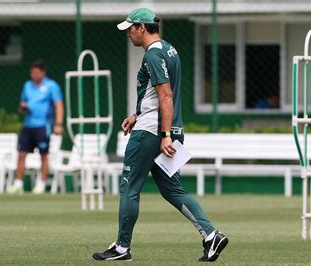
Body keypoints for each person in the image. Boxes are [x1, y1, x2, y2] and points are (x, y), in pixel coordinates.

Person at [92, 8, 228, 262]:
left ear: (141, 28)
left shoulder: (153, 54)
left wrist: (163, 134)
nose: (129, 34)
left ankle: (122, 247)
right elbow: (159, 96)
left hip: (152, 133)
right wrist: (138, 115)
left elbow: (165, 95)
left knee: (129, 188)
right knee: (172, 189)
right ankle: (211, 235)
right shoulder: (170, 50)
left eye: (130, 29)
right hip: (170, 129)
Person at [9, 60, 63, 194]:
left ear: (43, 72)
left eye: (36, 73)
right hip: (28, 125)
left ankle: (41, 184)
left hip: (43, 126)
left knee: (43, 155)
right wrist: (23, 108)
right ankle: (18, 184)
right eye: (32, 73)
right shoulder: (27, 85)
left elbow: (58, 105)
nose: (34, 75)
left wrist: (58, 124)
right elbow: (23, 103)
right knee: (21, 154)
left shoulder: (51, 86)